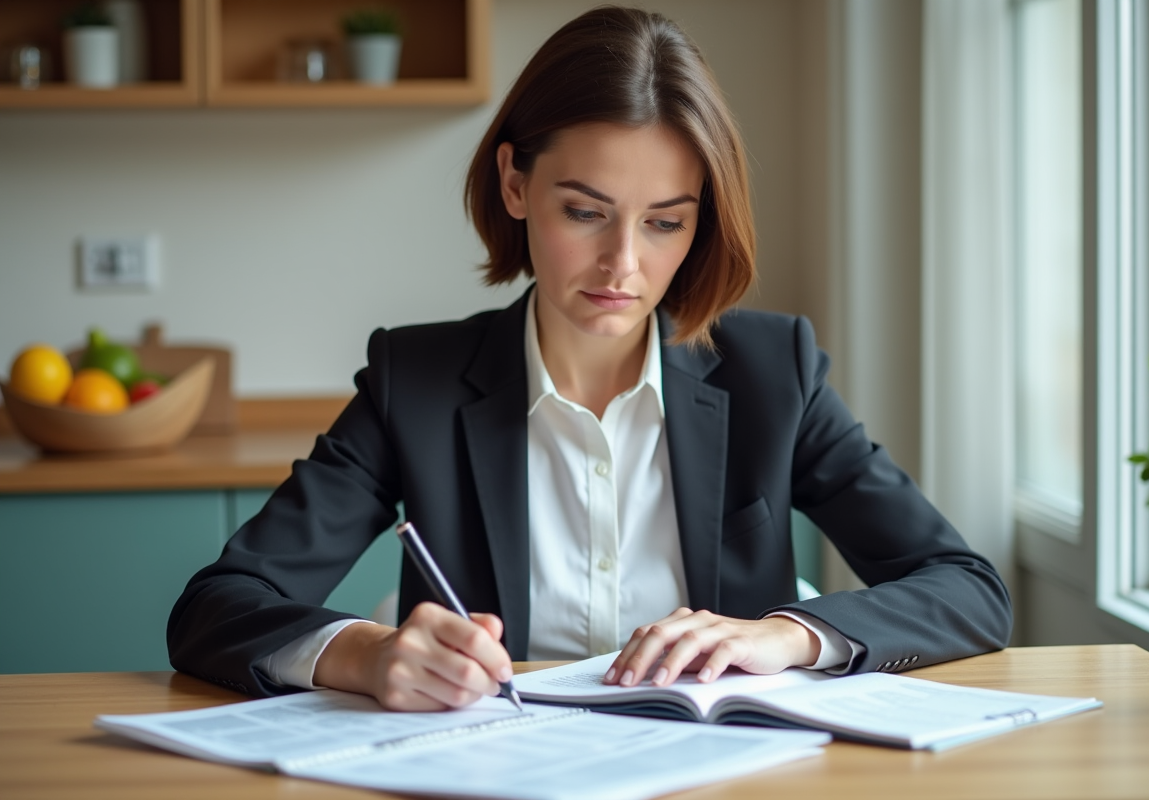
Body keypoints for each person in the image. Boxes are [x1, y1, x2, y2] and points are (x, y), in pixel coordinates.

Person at [168, 5, 1011, 711]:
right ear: (515, 186)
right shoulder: (413, 383)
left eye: (665, 222)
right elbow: (216, 608)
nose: (623, 266)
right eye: (584, 212)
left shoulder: (771, 371)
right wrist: (368, 654)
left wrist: (783, 634)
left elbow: (968, 590)